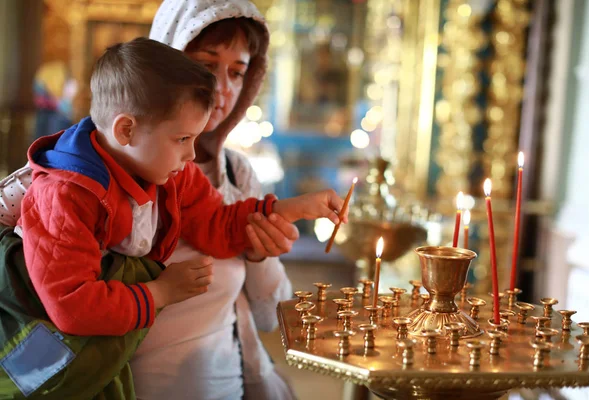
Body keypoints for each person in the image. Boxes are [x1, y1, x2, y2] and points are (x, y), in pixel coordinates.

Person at [16, 37, 346, 338]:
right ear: (126, 130)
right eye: (183, 139)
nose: (191, 154)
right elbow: (72, 307)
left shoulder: (172, 173)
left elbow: (216, 223)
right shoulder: (65, 195)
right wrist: (161, 293)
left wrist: (290, 209)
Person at [128, 1, 302, 399]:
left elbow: (269, 319)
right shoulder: (111, 167)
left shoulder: (238, 174)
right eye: (206, 68)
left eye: (237, 73)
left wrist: (259, 254)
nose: (222, 90)